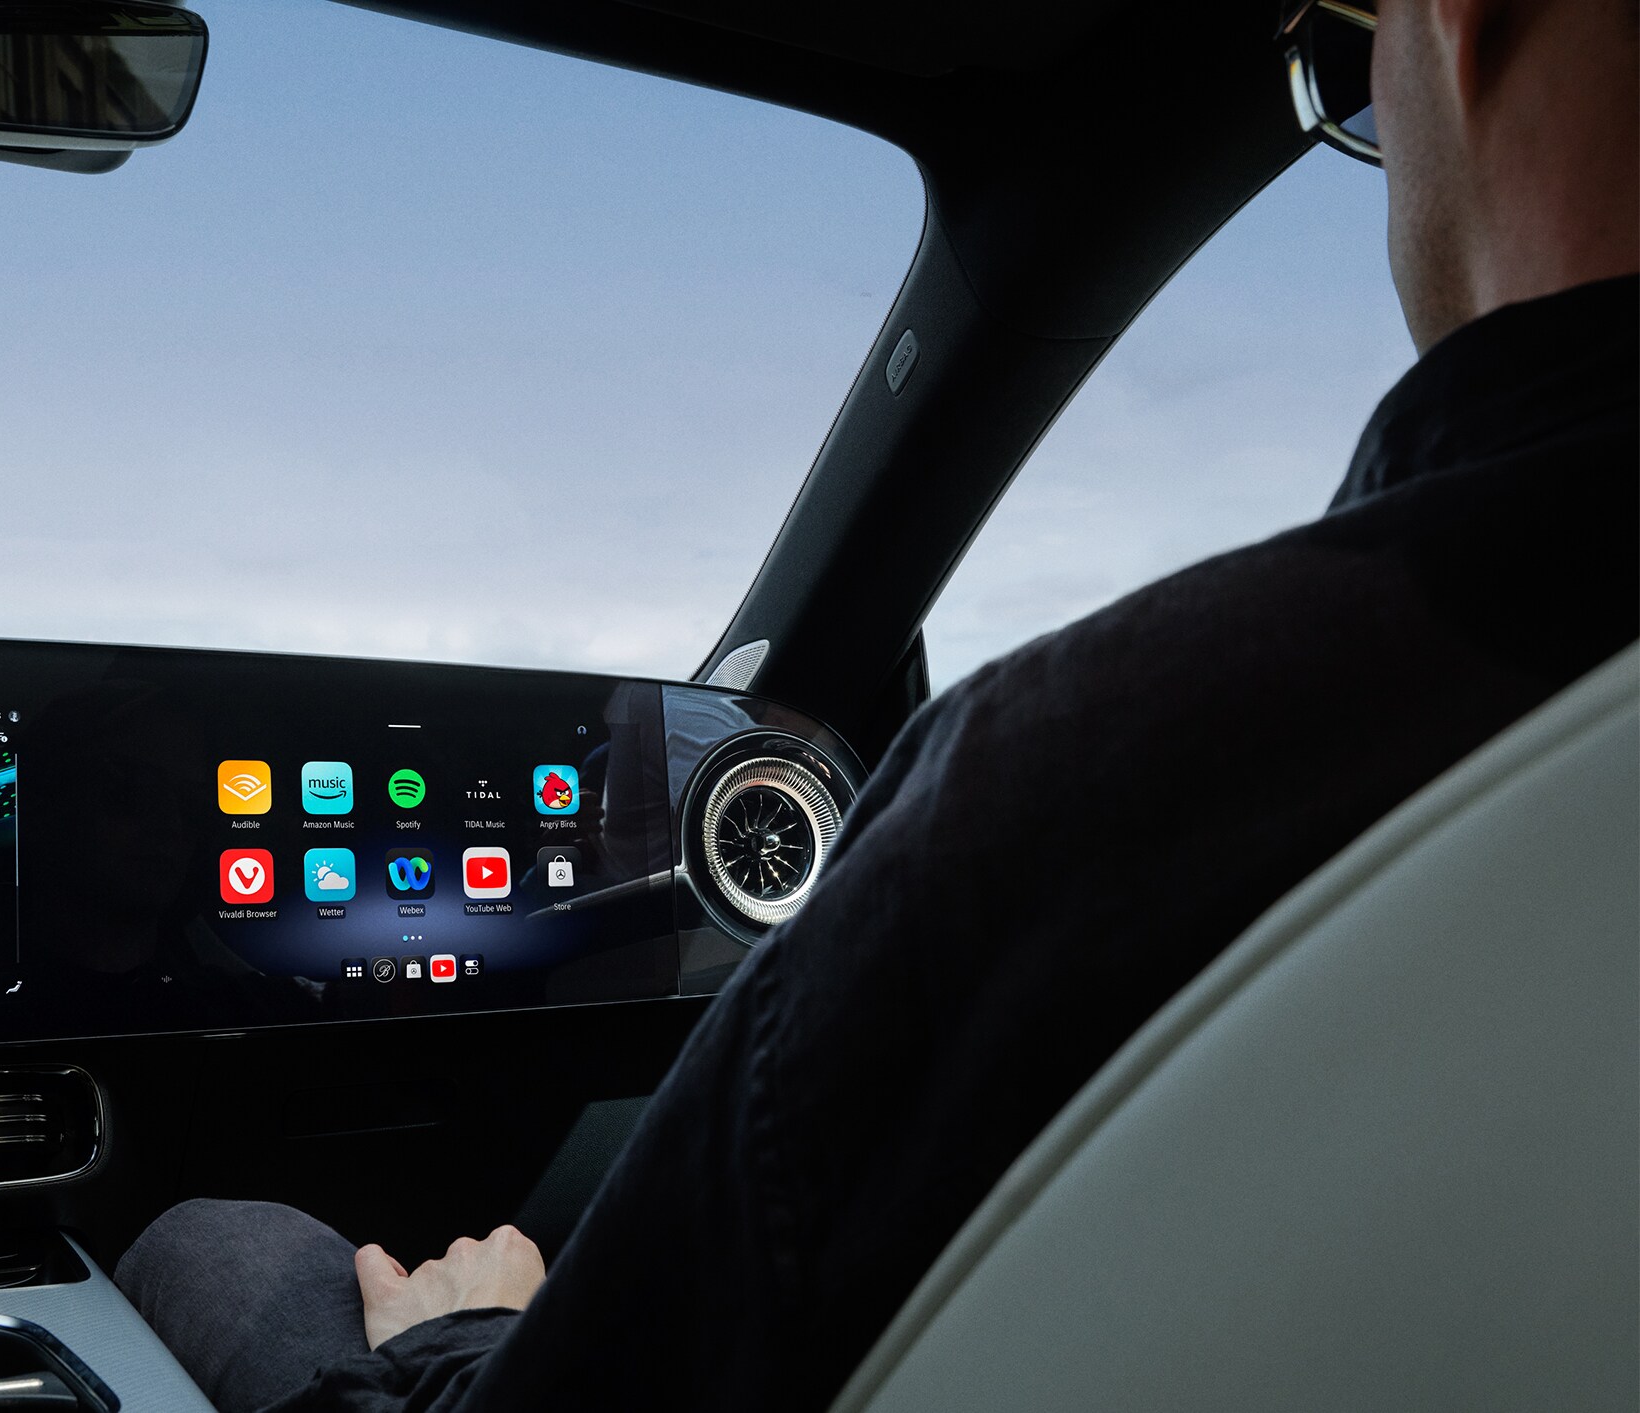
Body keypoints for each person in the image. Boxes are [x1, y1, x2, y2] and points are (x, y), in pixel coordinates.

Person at [117, 1, 1639, 1408]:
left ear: (1456, 23)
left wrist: (463, 1339)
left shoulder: (1104, 768)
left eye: (1355, 72)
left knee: (213, 1233)